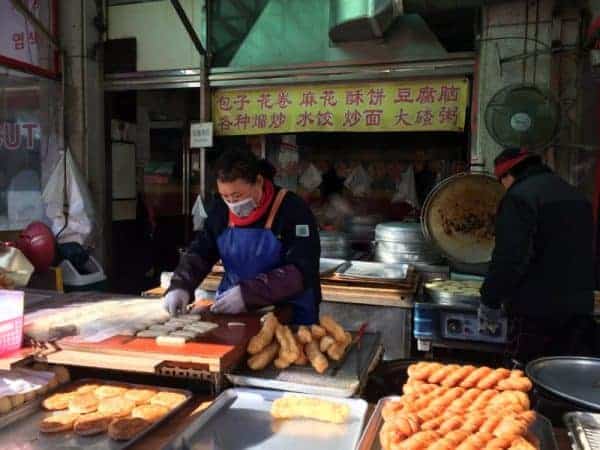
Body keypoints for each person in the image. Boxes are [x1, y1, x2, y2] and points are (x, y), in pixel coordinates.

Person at [163, 149, 322, 324]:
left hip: (289, 313)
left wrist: (248, 293)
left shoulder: (292, 209)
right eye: (226, 196)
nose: (233, 204)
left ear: (259, 181)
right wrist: (181, 285)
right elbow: (201, 251)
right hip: (235, 311)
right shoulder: (221, 211)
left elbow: (302, 270)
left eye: (238, 196)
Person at [478, 148, 595, 361]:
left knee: (523, 378)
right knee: (561, 379)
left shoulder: (519, 197)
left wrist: (490, 300)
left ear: (507, 175)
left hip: (534, 312)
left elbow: (510, 257)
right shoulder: (576, 196)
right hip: (578, 310)